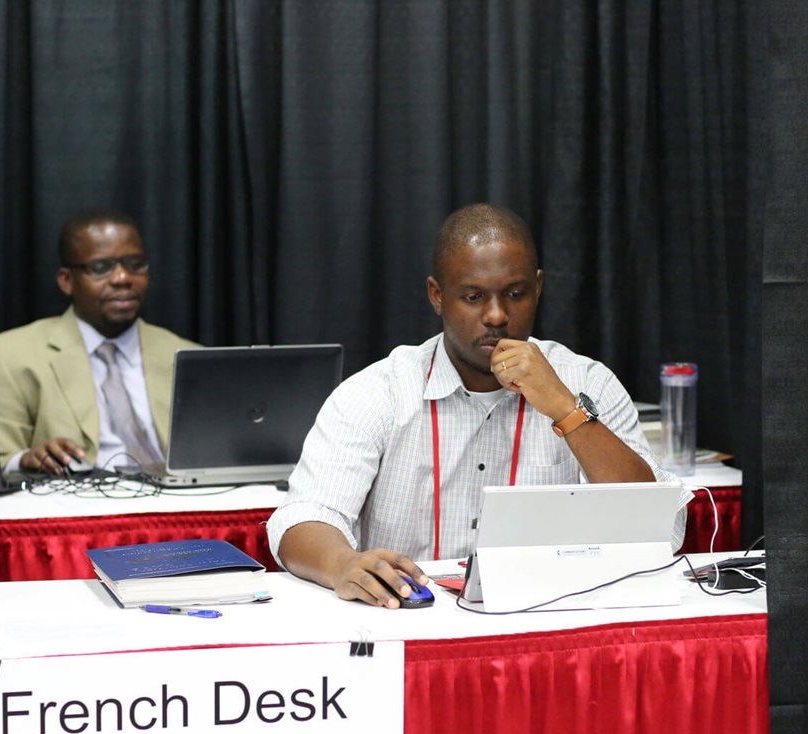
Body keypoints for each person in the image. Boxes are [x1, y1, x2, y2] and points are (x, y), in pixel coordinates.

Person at [266, 203, 690, 608]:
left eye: (516, 294)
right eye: (472, 297)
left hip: (547, 617)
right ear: (437, 296)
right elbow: (302, 517)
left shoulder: (587, 383)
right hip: (409, 619)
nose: (497, 316)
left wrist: (566, 409)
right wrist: (342, 563)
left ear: (538, 287)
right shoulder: (378, 392)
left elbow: (661, 530)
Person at [0, 208, 198, 475]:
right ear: (67, 281)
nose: (122, 278)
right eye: (101, 268)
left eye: (135, 264)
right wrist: (26, 460)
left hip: (179, 504)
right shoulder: (9, 357)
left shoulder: (188, 356)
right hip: (76, 507)